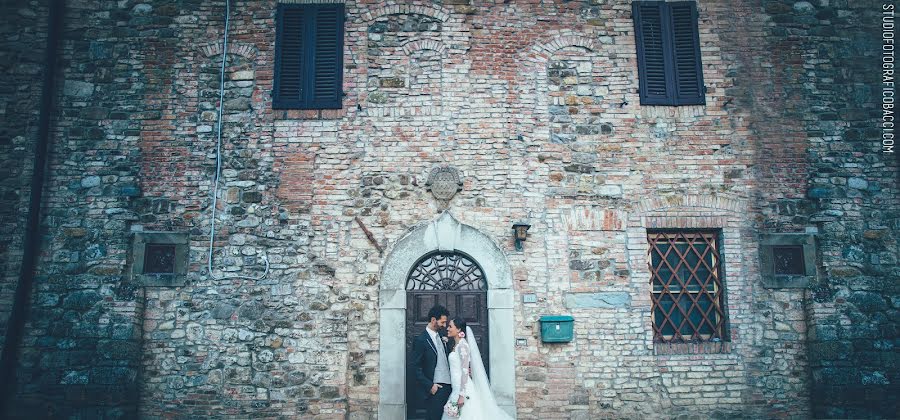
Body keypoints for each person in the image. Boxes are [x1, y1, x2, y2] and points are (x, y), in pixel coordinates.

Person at [442, 317, 513, 420]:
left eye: (450, 326)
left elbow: (465, 370)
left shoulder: (463, 346)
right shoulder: (456, 345)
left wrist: (462, 395)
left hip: (463, 389)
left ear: (458, 330)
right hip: (456, 387)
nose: (447, 328)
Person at [409, 305, 452, 420]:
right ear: (433, 320)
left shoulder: (443, 338)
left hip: (450, 387)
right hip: (435, 388)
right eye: (442, 322)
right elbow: (414, 367)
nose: (444, 325)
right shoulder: (421, 340)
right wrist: (430, 386)